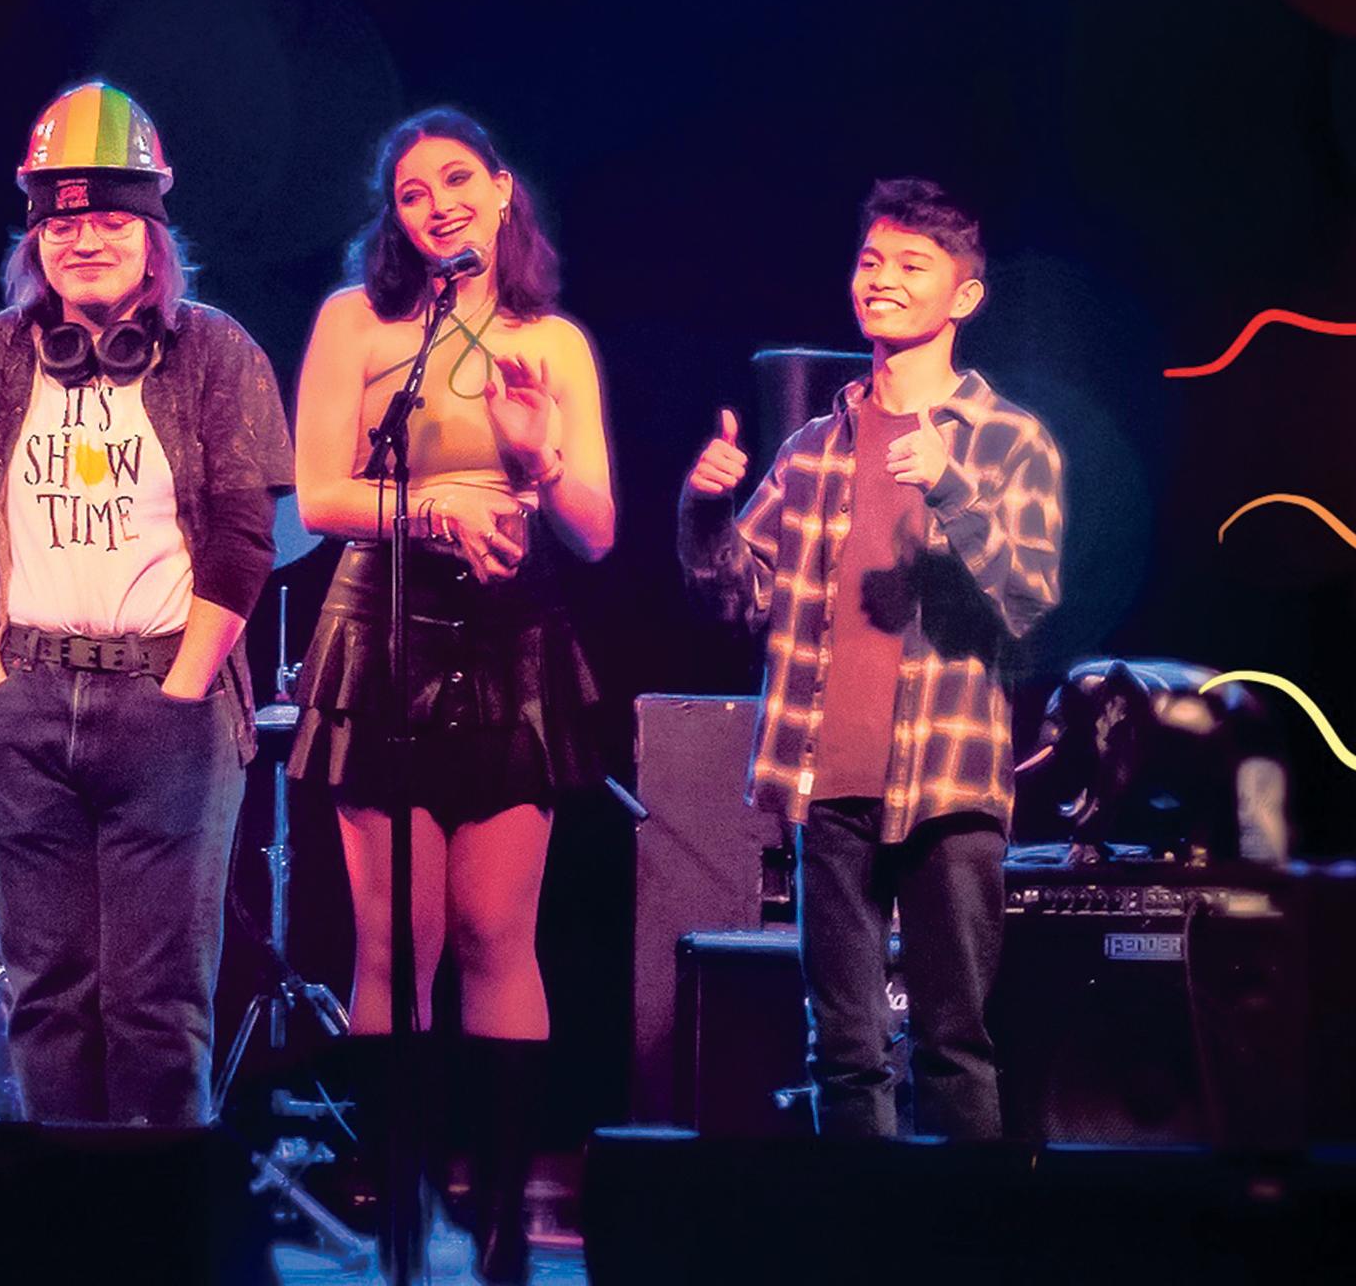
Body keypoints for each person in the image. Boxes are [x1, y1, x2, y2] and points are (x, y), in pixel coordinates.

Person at [0, 82, 293, 1126]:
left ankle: (155, 1247)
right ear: (35, 235)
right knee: (47, 999)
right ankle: (61, 1243)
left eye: (111, 219)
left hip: (166, 703)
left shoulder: (216, 351)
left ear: (154, 232)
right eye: (63, 220)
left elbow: (241, 542)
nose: (84, 239)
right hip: (23, 700)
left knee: (157, 1007)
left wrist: (182, 690)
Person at [288, 107, 613, 1282]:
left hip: (512, 634)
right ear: (397, 216)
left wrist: (531, 467)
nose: (438, 204)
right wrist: (431, 508)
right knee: (394, 940)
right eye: (414, 192)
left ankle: (498, 1238)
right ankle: (402, 1219)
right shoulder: (360, 323)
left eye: (457, 181)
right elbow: (315, 492)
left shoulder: (553, 343)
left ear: (502, 189)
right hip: (380, 627)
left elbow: (595, 529)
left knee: (492, 932)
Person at [678, 177, 1063, 1140]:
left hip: (949, 785)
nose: (882, 279)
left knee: (953, 1045)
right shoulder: (815, 446)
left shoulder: (1008, 443)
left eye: (911, 265)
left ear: (964, 297)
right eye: (870, 260)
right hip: (826, 782)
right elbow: (739, 597)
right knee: (843, 1054)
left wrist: (954, 490)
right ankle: (860, 1252)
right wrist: (702, 512)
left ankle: (962, 1257)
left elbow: (1028, 603)